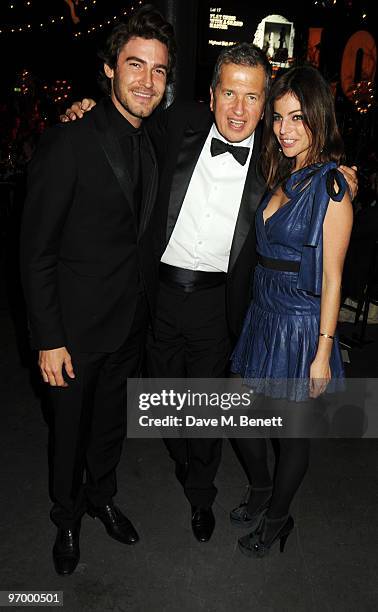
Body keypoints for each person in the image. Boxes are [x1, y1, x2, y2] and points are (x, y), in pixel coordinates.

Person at [62, 45, 357, 545]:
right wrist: (88, 109)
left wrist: (344, 175)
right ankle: (180, 465)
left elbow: (320, 183)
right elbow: (126, 128)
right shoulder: (179, 123)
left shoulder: (273, 158)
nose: (239, 109)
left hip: (221, 307)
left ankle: (202, 495)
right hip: (156, 297)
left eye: (252, 97)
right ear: (211, 94)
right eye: (229, 93)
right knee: (162, 405)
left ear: (264, 105)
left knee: (211, 413)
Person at [20, 6, 176, 575]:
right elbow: (35, 252)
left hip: (130, 323)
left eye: (159, 71)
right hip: (74, 333)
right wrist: (49, 337)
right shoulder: (67, 143)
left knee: (110, 427)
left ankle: (102, 496)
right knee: (67, 434)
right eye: (135, 65)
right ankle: (66, 518)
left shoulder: (157, 137)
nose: (146, 80)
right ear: (108, 68)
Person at [229, 65, 353, 558]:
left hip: (301, 326)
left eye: (298, 117)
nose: (285, 129)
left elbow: (334, 277)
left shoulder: (332, 186)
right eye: (278, 117)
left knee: (292, 436)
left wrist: (323, 352)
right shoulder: (283, 169)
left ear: (319, 118)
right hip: (263, 312)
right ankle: (262, 489)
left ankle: (278, 516)